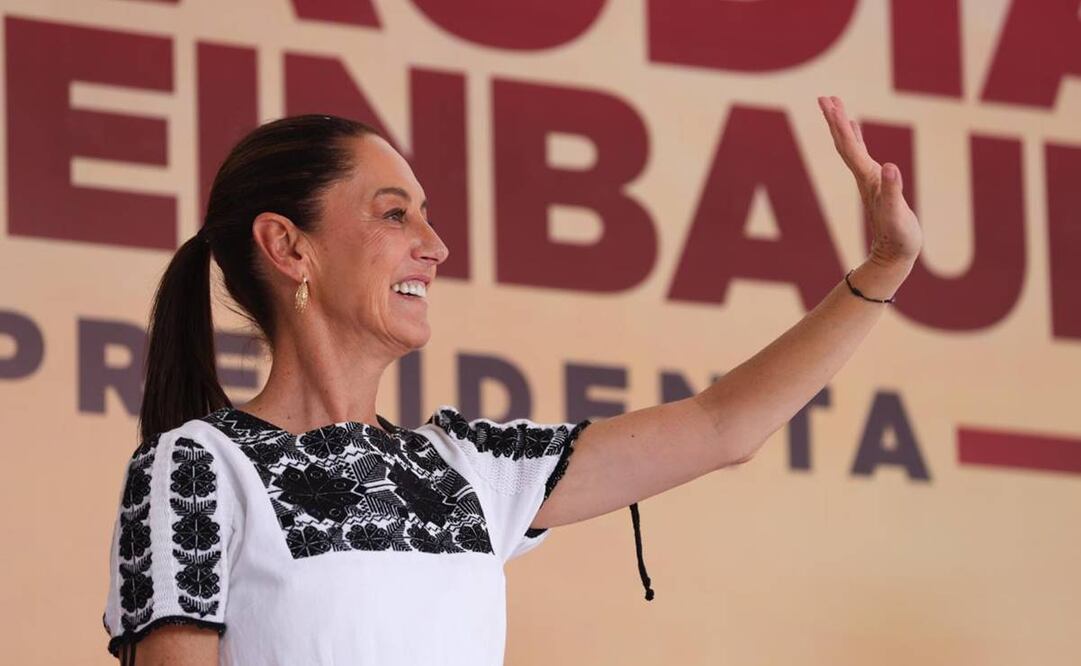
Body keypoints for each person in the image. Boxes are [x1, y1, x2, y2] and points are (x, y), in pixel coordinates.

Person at [101, 95, 921, 665]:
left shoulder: (469, 469)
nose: (434, 244)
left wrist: (884, 267)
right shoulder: (200, 464)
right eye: (395, 214)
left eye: (425, 214)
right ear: (289, 247)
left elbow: (721, 427)